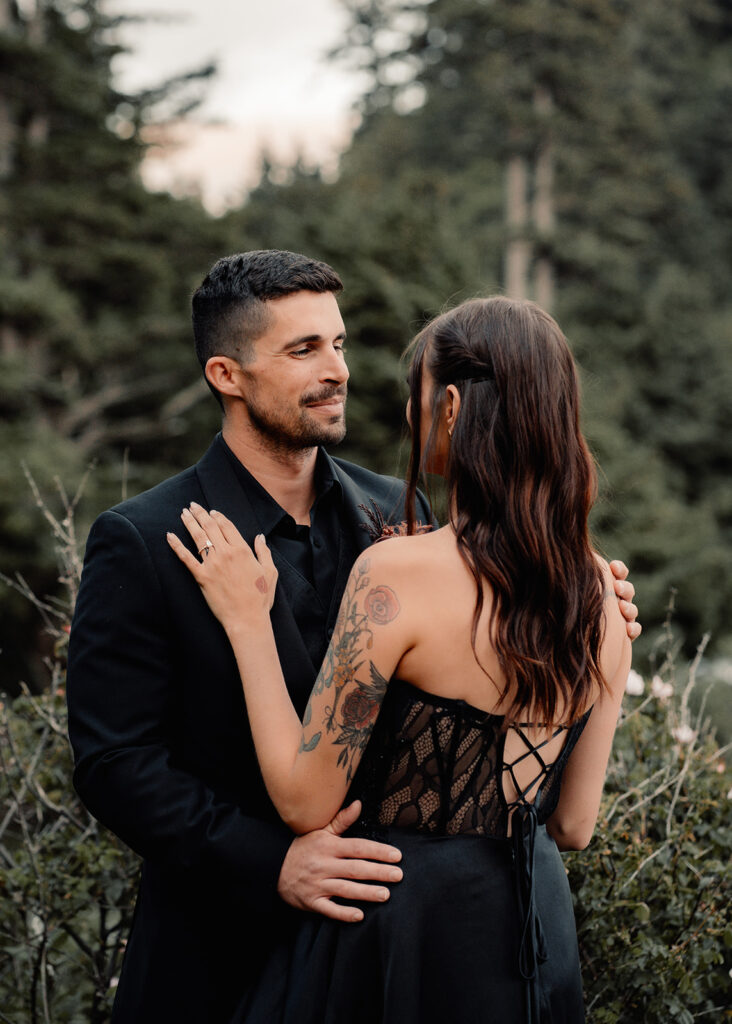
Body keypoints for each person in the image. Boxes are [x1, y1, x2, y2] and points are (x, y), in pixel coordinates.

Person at [67, 251, 639, 1024]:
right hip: (217, 949)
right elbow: (114, 763)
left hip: (403, 949)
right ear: (227, 374)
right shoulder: (142, 537)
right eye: (303, 349)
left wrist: (578, 608)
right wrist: (273, 863)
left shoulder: (400, 517)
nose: (337, 369)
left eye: (337, 344)